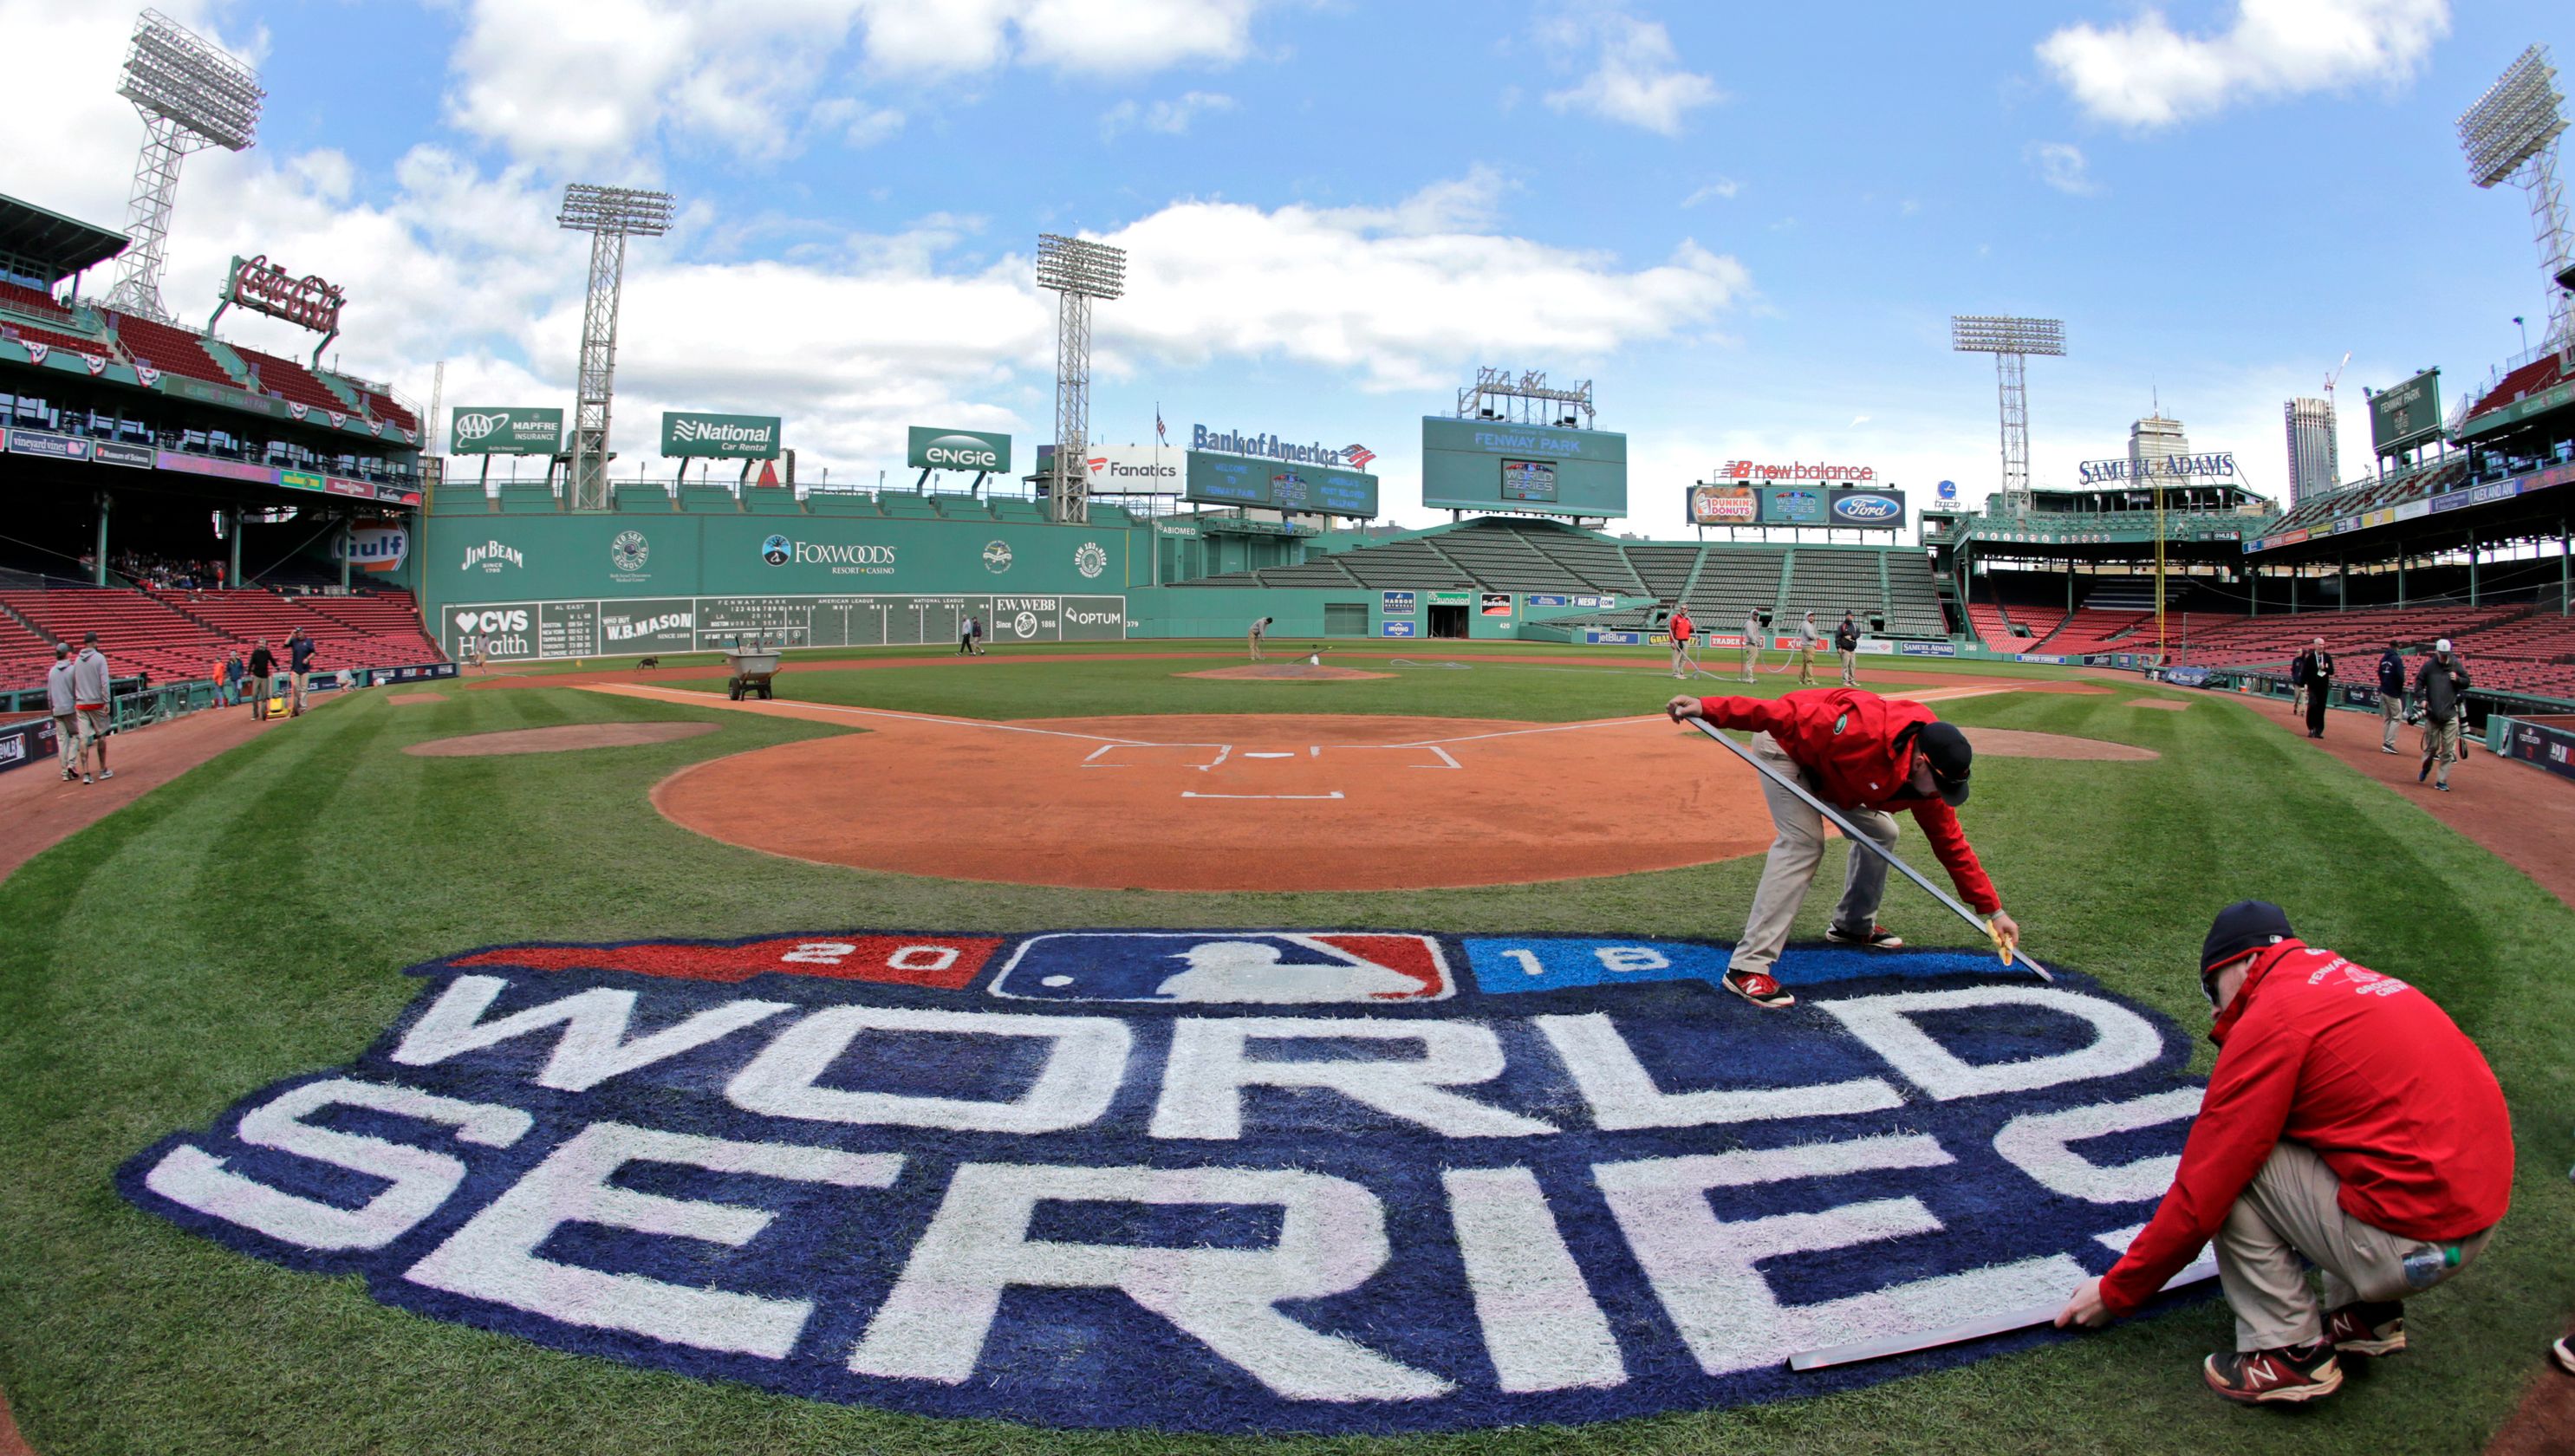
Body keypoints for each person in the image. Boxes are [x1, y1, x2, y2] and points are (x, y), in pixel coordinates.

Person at [2055, 901, 2511, 1406]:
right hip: (2471, 1230)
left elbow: (2202, 1191)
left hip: (2409, 1248)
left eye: (2212, 988)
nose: (2212, 1008)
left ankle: (2287, 1355)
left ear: (2243, 964)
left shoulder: (2274, 1017)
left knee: (2236, 1168)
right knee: (2327, 1132)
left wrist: (2117, 1292)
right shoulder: (2355, 982)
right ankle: (2363, 1318)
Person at [1664, 686, 2016, 1009]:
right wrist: (1710, 708)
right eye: (1939, 787)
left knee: (1882, 832)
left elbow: (1951, 845)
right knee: (1804, 843)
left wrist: (1995, 912)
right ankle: (1747, 967)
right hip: (1786, 748)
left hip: (1835, 776)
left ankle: (1852, 925)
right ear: (1922, 763)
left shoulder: (1928, 781)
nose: (1940, 796)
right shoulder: (1861, 730)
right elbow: (1781, 714)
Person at [2413, 638, 2471, 792]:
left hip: (2450, 714)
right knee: (2432, 747)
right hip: (2433, 714)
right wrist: (2422, 699)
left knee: (2447, 750)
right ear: (2437, 652)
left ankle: (2441, 780)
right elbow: (2418, 683)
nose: (2445, 656)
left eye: (2447, 654)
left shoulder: (2456, 664)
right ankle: (2426, 767)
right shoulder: (2429, 666)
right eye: (2442, 654)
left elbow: (2467, 681)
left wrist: (2458, 679)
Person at [70, 631, 112, 782]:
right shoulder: (100, 658)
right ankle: (102, 770)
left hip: (81, 704)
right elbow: (105, 682)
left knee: (83, 738)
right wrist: (107, 701)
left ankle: (86, 774)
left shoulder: (77, 661)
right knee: (101, 736)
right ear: (94, 642)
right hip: (97, 703)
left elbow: (74, 682)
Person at [46, 643, 83, 783]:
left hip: (57, 710)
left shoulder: (52, 671)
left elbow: (49, 695)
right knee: (76, 735)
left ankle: (64, 773)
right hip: (70, 709)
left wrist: (52, 710)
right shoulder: (73, 670)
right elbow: (77, 690)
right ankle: (71, 764)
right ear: (67, 654)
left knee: (62, 741)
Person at [2293, 639, 2332, 738]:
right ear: (2315, 645)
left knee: (2321, 708)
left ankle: (2319, 730)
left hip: (2323, 687)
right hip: (2313, 687)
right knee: (2312, 706)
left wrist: (2324, 668)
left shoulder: (2327, 657)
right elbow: (2305, 672)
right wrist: (2302, 685)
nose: (2322, 647)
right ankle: (2311, 728)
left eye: (2323, 645)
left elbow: (2332, 671)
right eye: (2320, 645)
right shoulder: (2310, 658)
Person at [2375, 642, 2407, 754]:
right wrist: (2398, 688)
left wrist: (2384, 683)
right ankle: (2388, 743)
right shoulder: (2396, 659)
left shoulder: (2384, 658)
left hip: (2384, 689)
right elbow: (2400, 676)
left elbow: (2379, 673)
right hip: (2392, 692)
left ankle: (2386, 742)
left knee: (2388, 718)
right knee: (2396, 717)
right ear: (2397, 647)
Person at [286, 627, 316, 715]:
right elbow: (286, 643)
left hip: (305, 669)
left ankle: (303, 707)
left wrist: (308, 658)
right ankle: (296, 705)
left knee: (304, 689)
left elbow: (313, 653)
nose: (298, 634)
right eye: (297, 633)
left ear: (303, 632)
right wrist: (291, 635)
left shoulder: (308, 641)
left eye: (300, 632)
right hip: (295, 668)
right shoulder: (294, 641)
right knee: (296, 688)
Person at [246, 638, 276, 721]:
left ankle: (264, 712)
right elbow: (251, 662)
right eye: (260, 643)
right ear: (258, 644)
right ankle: (255, 713)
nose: (261, 644)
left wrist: (276, 666)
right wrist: (248, 671)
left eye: (263, 643)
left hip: (265, 677)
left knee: (264, 696)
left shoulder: (267, 652)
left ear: (265, 644)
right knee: (254, 695)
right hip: (257, 676)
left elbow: (272, 660)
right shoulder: (255, 653)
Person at [1834, 611, 1861, 686]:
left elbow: (1858, 634)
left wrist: (1852, 636)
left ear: (1852, 617)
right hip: (1845, 649)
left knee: (1852, 666)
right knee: (1845, 666)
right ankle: (1845, 681)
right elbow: (1837, 637)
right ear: (1846, 616)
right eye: (1847, 615)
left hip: (1852, 649)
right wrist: (1839, 647)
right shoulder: (1842, 626)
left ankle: (1852, 680)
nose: (1849, 617)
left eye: (1850, 615)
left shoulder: (1855, 626)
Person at [1793, 610, 1820, 686]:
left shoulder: (1806, 624)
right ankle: (1809, 680)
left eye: (1812, 616)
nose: (1812, 617)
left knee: (1805, 663)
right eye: (1810, 616)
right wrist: (1817, 637)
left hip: (1806, 646)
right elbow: (1810, 635)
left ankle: (1801, 679)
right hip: (1809, 646)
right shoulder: (1807, 625)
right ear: (1806, 617)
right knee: (1809, 663)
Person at [1668, 606, 1695, 679]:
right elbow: (1671, 630)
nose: (1683, 610)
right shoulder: (1675, 618)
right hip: (1677, 640)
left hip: (1685, 641)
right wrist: (1672, 641)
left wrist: (1693, 628)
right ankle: (1675, 673)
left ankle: (1680, 671)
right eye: (1682, 608)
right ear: (1680, 609)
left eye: (1685, 609)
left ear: (1687, 610)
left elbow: (1689, 631)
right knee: (1676, 658)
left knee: (1684, 658)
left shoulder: (1688, 619)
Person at [1739, 609, 1763, 682]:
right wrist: (1756, 641)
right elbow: (1750, 634)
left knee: (1751, 662)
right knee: (1750, 663)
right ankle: (1749, 678)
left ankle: (1749, 677)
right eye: (1755, 614)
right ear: (1751, 615)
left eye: (1757, 615)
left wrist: (1757, 641)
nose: (1756, 616)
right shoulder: (1749, 623)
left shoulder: (1754, 623)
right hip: (1751, 644)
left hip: (1753, 644)